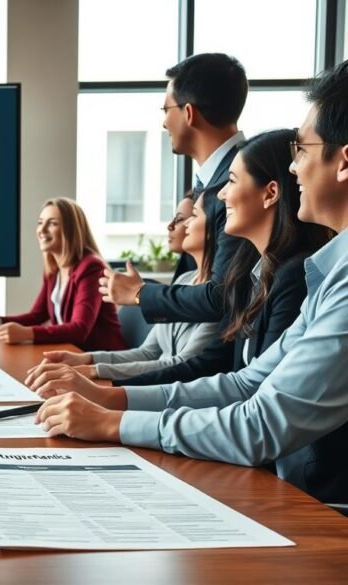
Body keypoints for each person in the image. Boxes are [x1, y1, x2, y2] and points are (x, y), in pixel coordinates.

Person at [29, 60, 348, 505]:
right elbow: (245, 383)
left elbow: (262, 423)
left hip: (313, 500)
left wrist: (111, 420)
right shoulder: (328, 273)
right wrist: (112, 400)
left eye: (303, 151)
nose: (296, 169)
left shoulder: (323, 277)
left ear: (343, 162)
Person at [101, 53, 251, 324]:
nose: (163, 123)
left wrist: (140, 293)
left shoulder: (239, 182)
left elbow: (220, 296)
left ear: (189, 113)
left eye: (166, 110)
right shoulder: (213, 179)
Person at [34, 192, 219, 380]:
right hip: (154, 385)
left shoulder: (217, 296)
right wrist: (86, 359)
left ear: (216, 227)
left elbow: (181, 365)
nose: (173, 225)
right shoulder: (183, 281)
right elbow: (148, 352)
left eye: (188, 217)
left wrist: (94, 370)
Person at [0, 197, 126, 350]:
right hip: (73, 354)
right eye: (40, 222)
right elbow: (37, 315)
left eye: (52, 223)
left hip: (102, 361)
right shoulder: (54, 268)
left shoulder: (91, 267)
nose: (42, 230)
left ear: (71, 230)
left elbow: (79, 329)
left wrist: (27, 333)